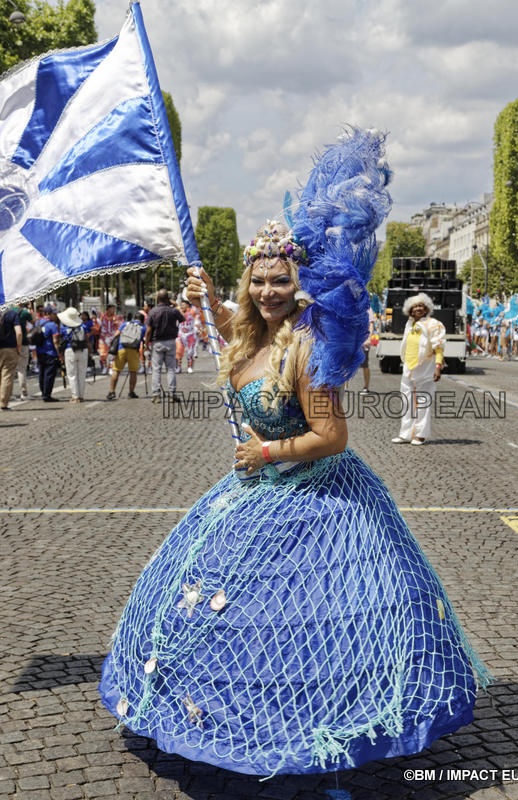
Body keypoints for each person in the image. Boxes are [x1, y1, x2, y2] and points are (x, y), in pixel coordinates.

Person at [99, 193, 488, 776]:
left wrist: (267, 449)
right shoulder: (252, 335)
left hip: (317, 495)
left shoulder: (307, 346)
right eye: (259, 282)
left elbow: (332, 436)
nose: (268, 292)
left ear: (298, 281)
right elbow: (244, 337)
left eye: (281, 281)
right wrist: (208, 301)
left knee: (314, 617)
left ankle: (317, 724)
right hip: (256, 491)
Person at [392, 293, 445, 445]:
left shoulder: (433, 324)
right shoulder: (410, 325)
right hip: (408, 368)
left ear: (427, 308)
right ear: (410, 310)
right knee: (406, 401)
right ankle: (405, 434)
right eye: (415, 306)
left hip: (426, 369)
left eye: (421, 306)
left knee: (423, 402)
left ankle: (420, 435)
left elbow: (439, 347)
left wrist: (438, 366)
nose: (418, 309)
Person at [145, 289, 184, 403]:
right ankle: (172, 394)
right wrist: (176, 305)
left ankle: (156, 395)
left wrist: (147, 344)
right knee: (171, 369)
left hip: (157, 342)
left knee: (156, 369)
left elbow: (148, 330)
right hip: (171, 341)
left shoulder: (153, 312)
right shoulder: (173, 311)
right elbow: (183, 319)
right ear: (168, 299)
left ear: (157, 299)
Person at [106, 312, 146, 400]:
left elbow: (116, 334)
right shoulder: (143, 327)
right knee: (133, 372)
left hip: (121, 348)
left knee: (116, 370)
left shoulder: (125, 324)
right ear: (142, 320)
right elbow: (144, 340)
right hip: (133, 350)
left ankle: (112, 392)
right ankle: (131, 392)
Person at [58, 307, 90, 403]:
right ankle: (81, 396)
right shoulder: (83, 326)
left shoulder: (64, 327)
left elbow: (61, 338)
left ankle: (75, 396)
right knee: (82, 374)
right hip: (83, 350)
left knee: (72, 374)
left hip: (70, 350)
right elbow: (87, 339)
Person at [36, 305, 61, 402]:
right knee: (49, 375)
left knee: (41, 373)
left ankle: (43, 392)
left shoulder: (38, 322)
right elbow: (55, 341)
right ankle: (47, 395)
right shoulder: (52, 325)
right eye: (54, 314)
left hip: (39, 351)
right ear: (48, 314)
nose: (56, 315)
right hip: (50, 352)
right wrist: (59, 353)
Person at [0, 306, 22, 410]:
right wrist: (18, 346)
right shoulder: (12, 314)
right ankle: (3, 403)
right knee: (7, 375)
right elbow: (19, 332)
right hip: (10, 348)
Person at [359, 305, 375, 394]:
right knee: (347, 365)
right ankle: (345, 387)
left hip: (363, 341)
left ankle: (366, 387)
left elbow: (371, 323)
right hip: (352, 341)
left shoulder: (367, 308)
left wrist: (369, 338)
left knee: (365, 365)